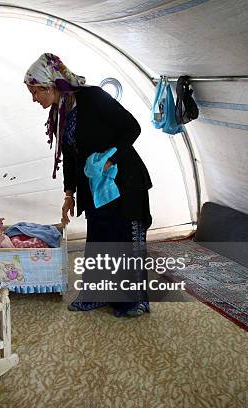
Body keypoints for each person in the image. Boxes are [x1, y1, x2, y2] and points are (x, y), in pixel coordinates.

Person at [24, 53, 153, 317]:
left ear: (50, 86)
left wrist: (110, 159)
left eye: (35, 92)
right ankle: (97, 294)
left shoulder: (92, 98)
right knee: (100, 239)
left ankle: (133, 300)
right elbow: (70, 155)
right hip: (94, 188)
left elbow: (132, 128)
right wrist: (69, 193)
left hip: (123, 181)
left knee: (124, 238)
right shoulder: (61, 113)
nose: (34, 99)